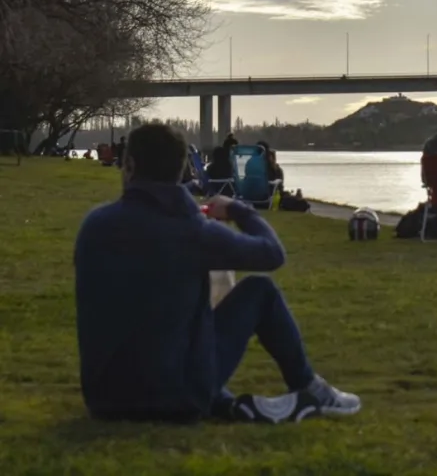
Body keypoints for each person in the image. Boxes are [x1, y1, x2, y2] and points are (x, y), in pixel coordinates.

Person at [73, 123, 359, 424]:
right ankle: (308, 386)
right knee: (259, 291)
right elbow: (272, 253)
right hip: (176, 400)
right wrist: (239, 210)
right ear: (181, 168)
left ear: (129, 165)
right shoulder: (191, 231)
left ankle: (227, 403)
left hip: (104, 398)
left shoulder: (95, 225)